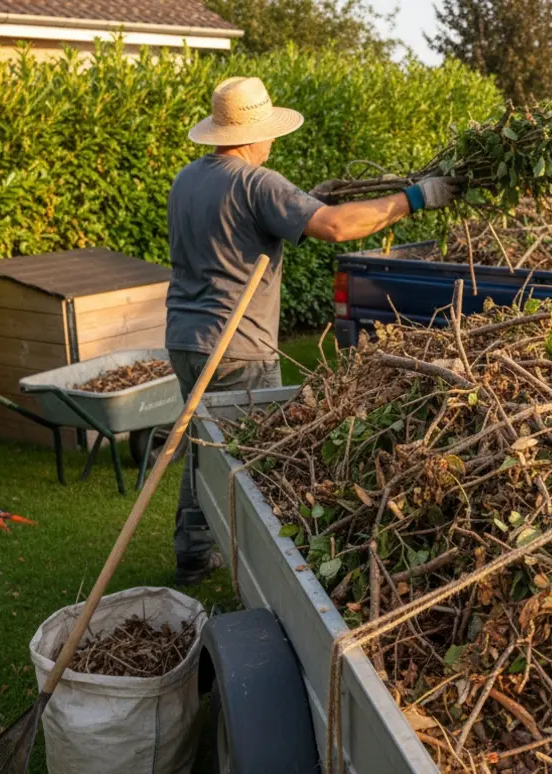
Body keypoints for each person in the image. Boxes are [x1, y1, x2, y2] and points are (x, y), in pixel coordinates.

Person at [165, 76, 460, 585]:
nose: (273, 141)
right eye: (269, 132)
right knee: (256, 459)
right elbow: (337, 227)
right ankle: (263, 570)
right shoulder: (256, 183)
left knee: (202, 445)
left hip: (185, 339)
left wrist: (305, 203)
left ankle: (193, 551)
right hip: (238, 347)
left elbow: (241, 227)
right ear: (256, 133)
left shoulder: (188, 178)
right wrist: (415, 197)